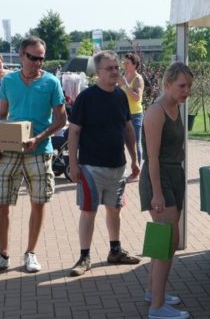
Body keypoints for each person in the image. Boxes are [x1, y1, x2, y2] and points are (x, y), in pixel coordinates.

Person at [0, 36, 66, 274]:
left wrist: (39, 138)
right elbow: (3, 114)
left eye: (41, 58)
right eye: (33, 57)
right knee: (1, 201)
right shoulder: (10, 81)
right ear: (21, 56)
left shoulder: (51, 82)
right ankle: (2, 255)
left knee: (39, 202)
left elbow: (62, 119)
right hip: (11, 151)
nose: (38, 62)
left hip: (40, 150)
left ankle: (31, 253)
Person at [67, 51, 141, 277]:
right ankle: (84, 256)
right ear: (97, 72)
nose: (115, 71)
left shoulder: (120, 95)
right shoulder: (86, 98)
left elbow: (128, 129)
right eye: (109, 68)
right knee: (89, 211)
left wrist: (135, 159)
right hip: (91, 168)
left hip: (117, 166)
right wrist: (73, 164)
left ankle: (115, 250)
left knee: (115, 210)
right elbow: (74, 132)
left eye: (117, 67)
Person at [139, 62, 193, 319]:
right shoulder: (156, 112)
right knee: (166, 241)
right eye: (182, 85)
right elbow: (152, 157)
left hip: (174, 176)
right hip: (159, 178)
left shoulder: (176, 108)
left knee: (164, 240)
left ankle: (153, 291)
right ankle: (157, 308)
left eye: (189, 86)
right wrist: (157, 192)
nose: (187, 91)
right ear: (167, 84)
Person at [119, 52, 145, 174]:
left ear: (134, 65)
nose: (124, 65)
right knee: (121, 142)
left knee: (135, 143)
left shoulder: (138, 79)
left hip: (135, 115)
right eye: (124, 62)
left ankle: (136, 171)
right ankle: (121, 170)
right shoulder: (125, 76)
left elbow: (136, 97)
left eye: (127, 63)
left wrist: (126, 84)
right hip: (123, 115)